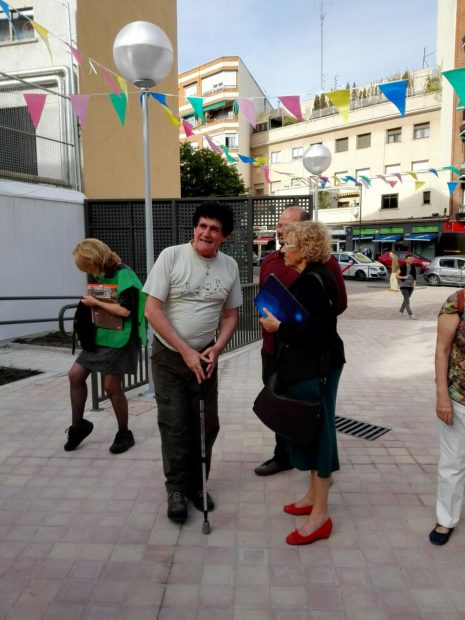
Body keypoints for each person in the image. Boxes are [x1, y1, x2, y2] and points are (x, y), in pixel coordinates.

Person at [143, 202, 242, 524]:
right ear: (194, 228)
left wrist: (218, 347)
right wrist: (184, 351)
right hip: (170, 358)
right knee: (175, 424)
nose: (206, 233)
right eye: (202, 226)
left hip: (205, 358)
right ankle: (176, 489)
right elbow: (152, 310)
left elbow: (230, 315)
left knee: (206, 425)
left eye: (214, 228)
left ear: (223, 236)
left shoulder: (229, 266)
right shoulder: (171, 256)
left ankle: (197, 484)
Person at [259, 221, 345, 545]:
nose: (282, 250)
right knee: (310, 432)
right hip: (309, 366)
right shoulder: (312, 276)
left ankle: (320, 516)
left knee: (319, 434)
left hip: (316, 368)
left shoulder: (314, 280)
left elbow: (321, 334)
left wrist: (279, 326)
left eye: (288, 243)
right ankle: (311, 496)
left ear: (305, 247)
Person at [66, 238, 146, 454]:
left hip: (121, 339)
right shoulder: (101, 274)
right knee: (75, 375)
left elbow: (126, 311)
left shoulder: (125, 275)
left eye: (86, 265)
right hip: (101, 336)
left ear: (95, 259)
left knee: (110, 387)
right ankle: (78, 427)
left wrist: (95, 303)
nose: (86, 270)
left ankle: (124, 433)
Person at [430, 288, 465, 546]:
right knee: (452, 462)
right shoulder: (458, 301)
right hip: (459, 396)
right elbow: (442, 350)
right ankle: (446, 518)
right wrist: (442, 395)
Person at [397, 254, 417, 319]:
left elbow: (415, 276)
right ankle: (411, 314)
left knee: (406, 300)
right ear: (406, 260)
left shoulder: (413, 266)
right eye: (410, 259)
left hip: (411, 286)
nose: (412, 260)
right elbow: (396, 276)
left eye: (412, 259)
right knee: (407, 301)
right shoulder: (402, 266)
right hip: (404, 286)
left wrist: (414, 285)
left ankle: (400, 311)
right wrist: (403, 277)